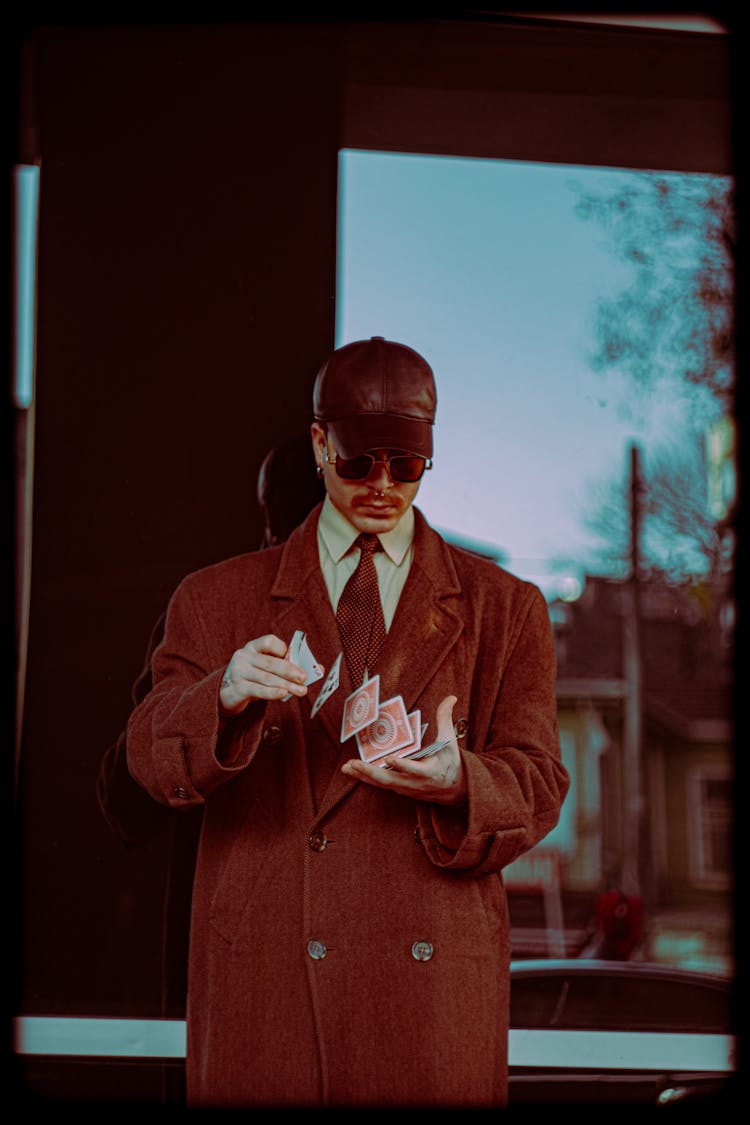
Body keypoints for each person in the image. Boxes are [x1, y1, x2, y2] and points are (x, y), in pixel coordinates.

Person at [126, 336, 569, 1108]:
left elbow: (539, 783)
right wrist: (222, 696)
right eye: (360, 462)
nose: (384, 486)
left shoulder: (507, 607)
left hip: (430, 1008)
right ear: (319, 442)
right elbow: (147, 756)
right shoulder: (213, 598)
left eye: (408, 464)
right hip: (268, 991)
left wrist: (463, 779)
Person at [97, 433, 325, 1022]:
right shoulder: (208, 613)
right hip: (235, 964)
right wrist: (216, 707)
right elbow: (127, 796)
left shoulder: (403, 625)